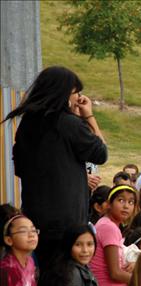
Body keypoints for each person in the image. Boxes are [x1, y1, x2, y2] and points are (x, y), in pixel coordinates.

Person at [3, 66, 107, 268]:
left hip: (36, 220)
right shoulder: (69, 123)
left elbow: (22, 169)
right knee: (66, 281)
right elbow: (101, 153)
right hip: (68, 222)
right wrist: (88, 117)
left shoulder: (27, 125)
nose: (79, 98)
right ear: (66, 93)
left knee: (43, 277)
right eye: (76, 92)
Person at [89, 185, 138, 286]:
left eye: (131, 202)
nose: (126, 206)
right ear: (109, 204)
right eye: (121, 200)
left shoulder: (108, 224)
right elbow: (115, 273)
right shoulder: (109, 227)